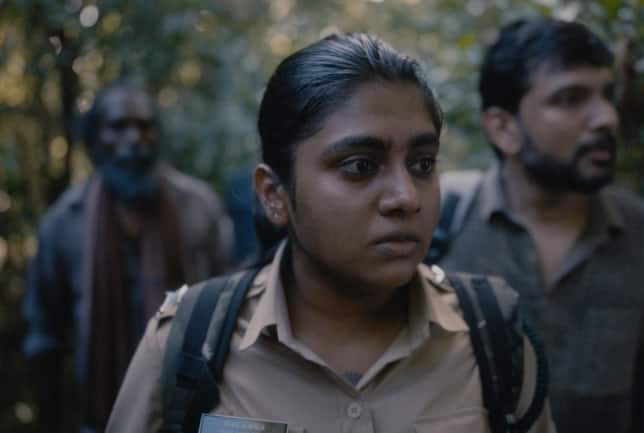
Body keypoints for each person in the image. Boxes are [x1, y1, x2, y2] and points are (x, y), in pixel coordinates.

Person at [106, 33, 556, 433]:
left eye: (422, 164)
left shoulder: (494, 340)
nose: (406, 197)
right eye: (360, 166)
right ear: (274, 194)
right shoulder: (186, 347)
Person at [433, 19, 644, 433]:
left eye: (608, 95)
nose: (606, 118)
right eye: (570, 99)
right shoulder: (436, 227)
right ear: (503, 128)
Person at [22, 81, 233, 433]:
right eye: (118, 127)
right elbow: (45, 339)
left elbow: (231, 318)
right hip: (102, 419)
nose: (134, 138)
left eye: (145, 126)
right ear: (95, 139)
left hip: (191, 418)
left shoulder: (198, 207)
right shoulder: (64, 222)